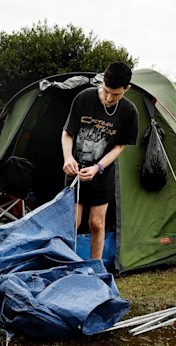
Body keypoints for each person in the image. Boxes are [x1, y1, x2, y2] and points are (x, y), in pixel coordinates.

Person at [61, 62, 139, 260]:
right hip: (75, 172)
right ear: (102, 83)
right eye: (106, 92)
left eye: (116, 95)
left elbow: (119, 147)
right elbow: (67, 133)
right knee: (72, 223)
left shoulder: (129, 112)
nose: (109, 98)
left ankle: (96, 269)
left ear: (126, 89)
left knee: (97, 223)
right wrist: (68, 157)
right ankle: (66, 265)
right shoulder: (84, 98)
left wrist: (98, 167)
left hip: (102, 174)